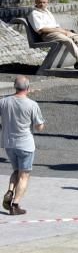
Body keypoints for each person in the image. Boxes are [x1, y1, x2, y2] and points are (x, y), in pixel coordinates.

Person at [1, 76, 45, 216]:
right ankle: (15, 204)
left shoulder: (3, 101)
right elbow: (39, 127)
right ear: (28, 88)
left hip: (9, 143)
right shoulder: (31, 104)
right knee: (24, 175)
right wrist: (40, 124)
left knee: (16, 171)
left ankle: (10, 190)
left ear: (15, 86)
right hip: (25, 144)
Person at [27, 0, 78, 69]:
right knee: (68, 40)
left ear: (47, 2)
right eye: (40, 2)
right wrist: (59, 30)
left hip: (57, 33)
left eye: (44, 2)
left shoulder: (47, 12)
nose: (42, 4)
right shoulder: (34, 14)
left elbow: (55, 25)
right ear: (36, 2)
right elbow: (41, 29)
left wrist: (65, 30)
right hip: (47, 35)